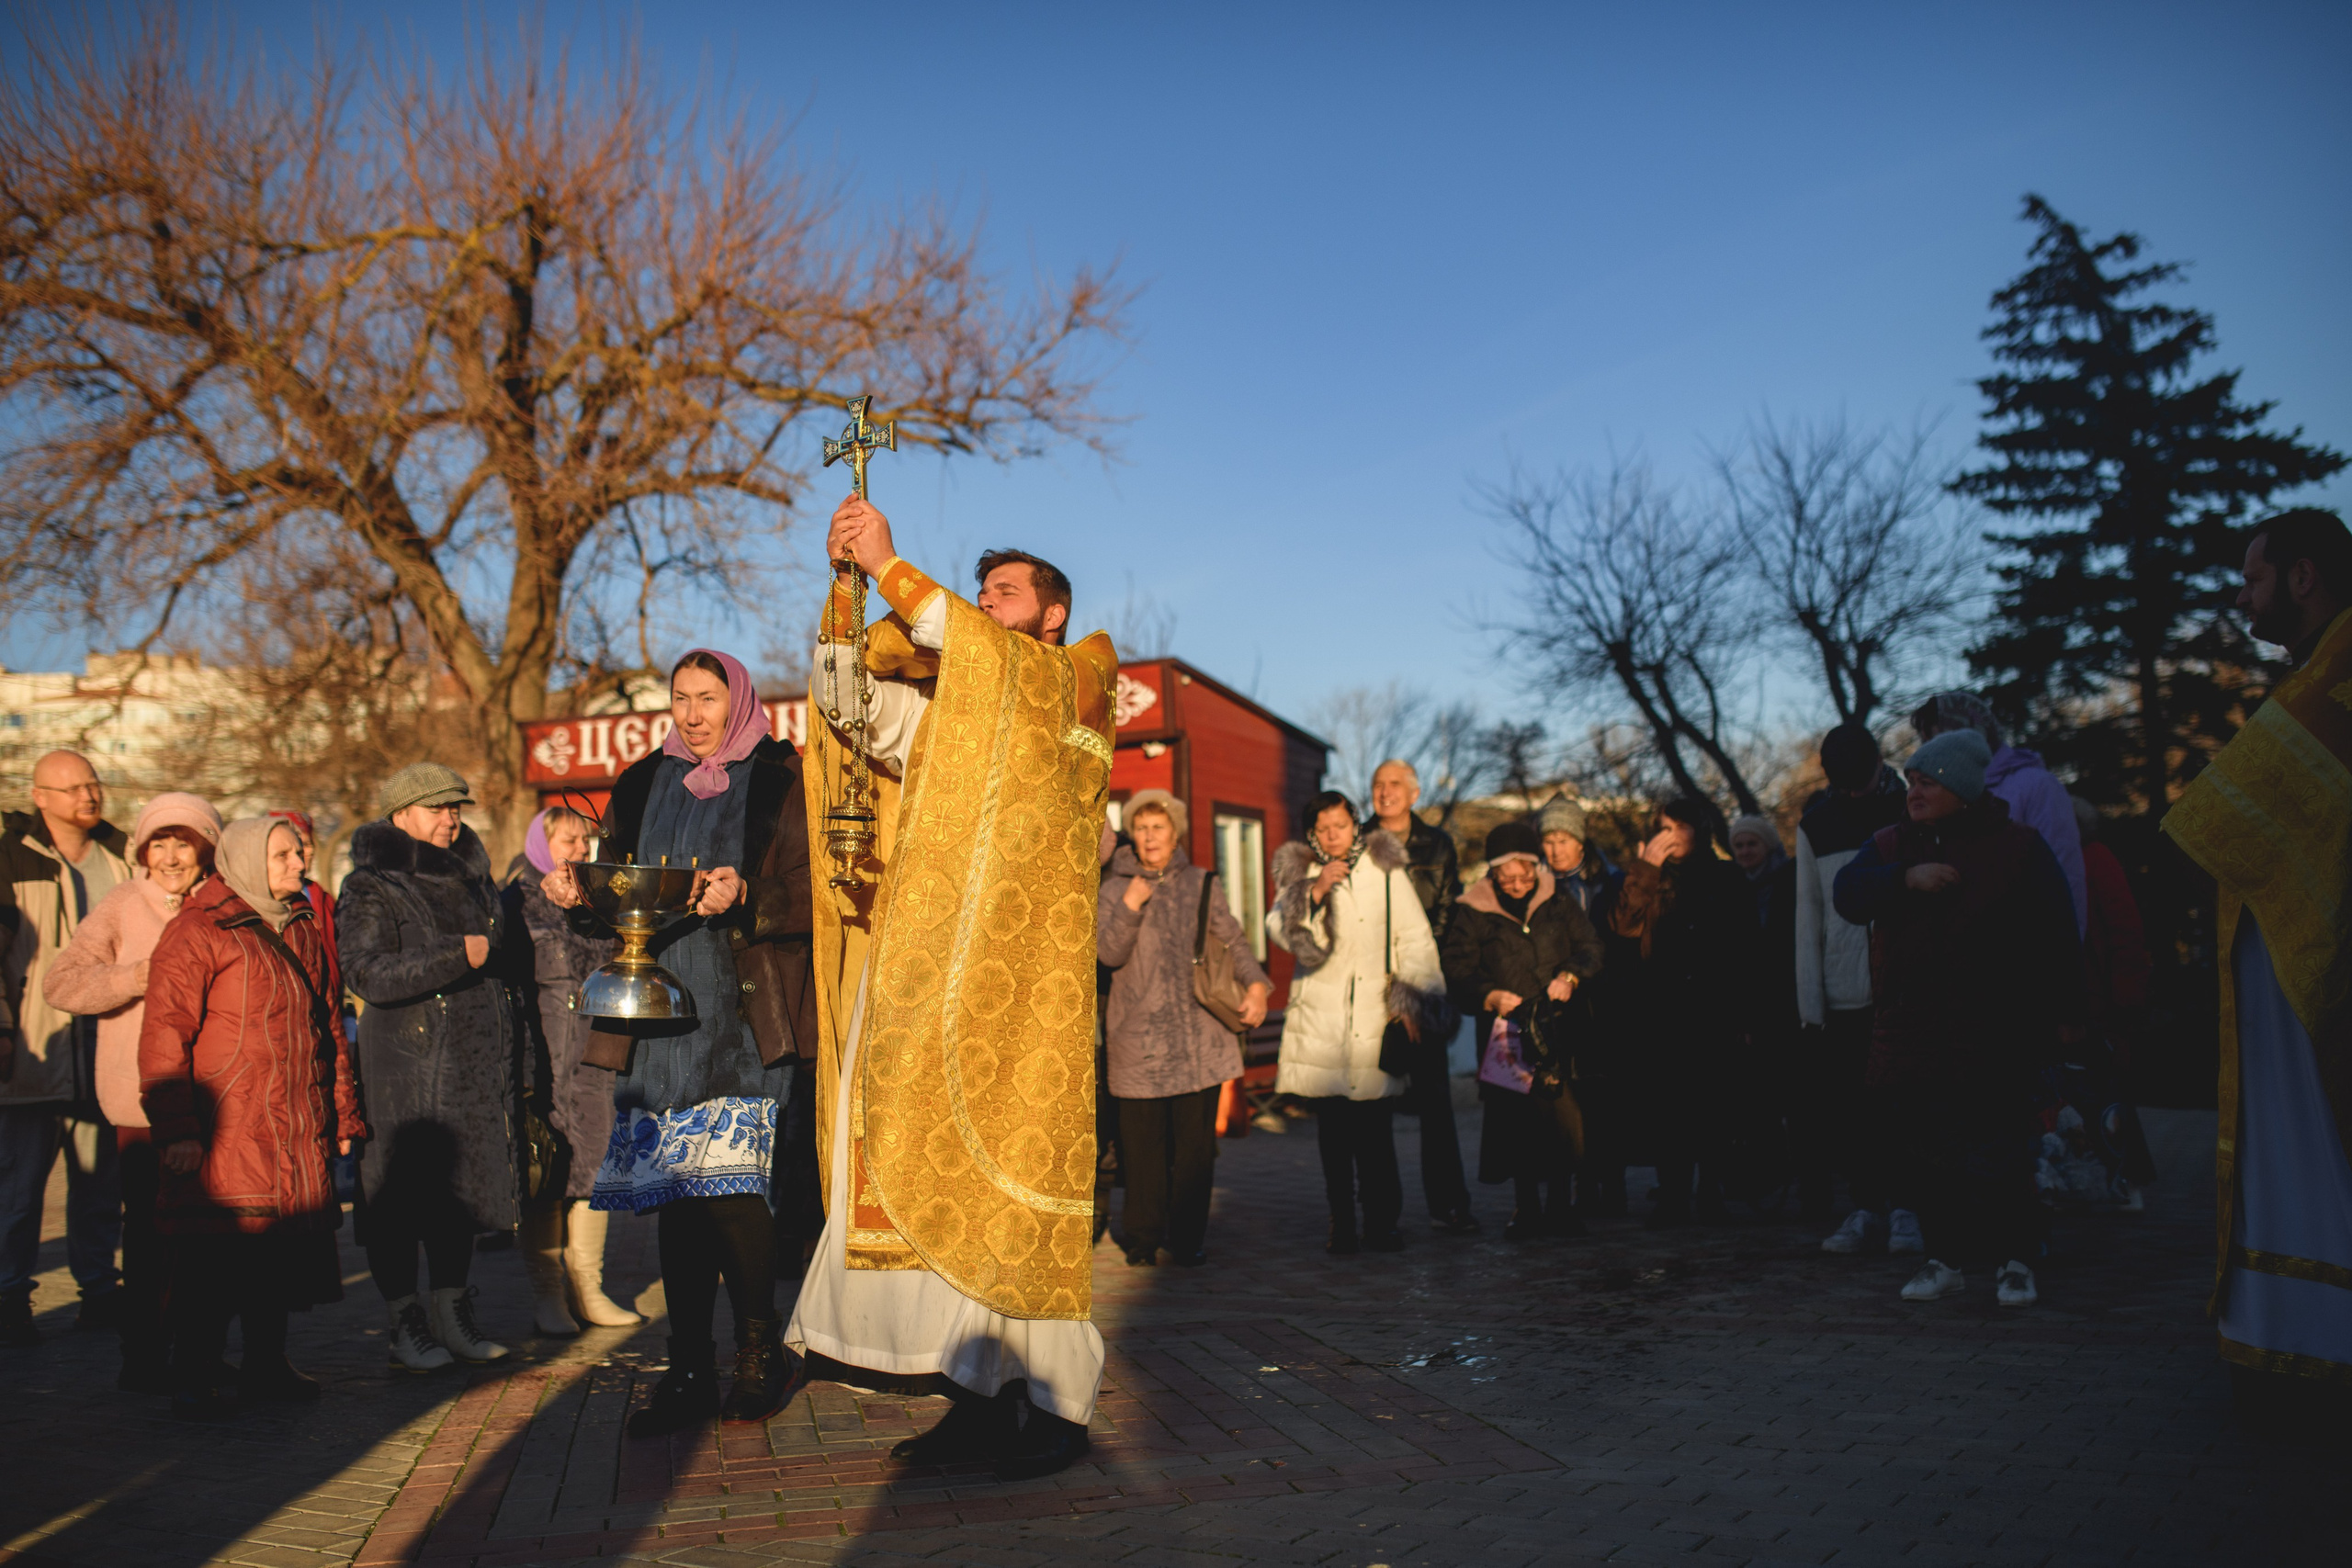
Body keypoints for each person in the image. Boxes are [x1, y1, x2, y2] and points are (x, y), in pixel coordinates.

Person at [786, 502, 1114, 1482]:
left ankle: (1059, 1403)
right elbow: (857, 713)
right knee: (954, 1190)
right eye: (980, 593)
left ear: (1051, 613)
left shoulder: (1076, 677)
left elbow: (980, 656)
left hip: (1029, 993)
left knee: (1023, 1194)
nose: (984, 604)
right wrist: (844, 602)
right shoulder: (959, 699)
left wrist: (891, 563)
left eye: (1004, 591)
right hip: (943, 971)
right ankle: (976, 1394)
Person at [544, 649, 814, 1435]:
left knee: (730, 1192)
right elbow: (620, 897)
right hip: (659, 1016)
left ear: (738, 701)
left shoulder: (780, 777)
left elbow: (818, 889)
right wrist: (576, 894)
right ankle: (690, 1365)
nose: (692, 714)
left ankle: (761, 1353)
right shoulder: (638, 782)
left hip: (741, 1013)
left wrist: (749, 894)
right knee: (676, 1200)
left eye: (707, 698)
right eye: (680, 698)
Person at [2162, 507, 2352, 1430]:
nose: (2242, 599)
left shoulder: (2339, 668)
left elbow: (2223, 816)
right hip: (2283, 960)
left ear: (2304, 576)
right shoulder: (2311, 672)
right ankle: (2293, 1332)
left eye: (2253, 581)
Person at [1835, 729, 2085, 1309]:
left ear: (1963, 788)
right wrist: (1904, 879)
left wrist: (2070, 1014)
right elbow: (1848, 893)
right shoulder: (1892, 844)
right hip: (1915, 1031)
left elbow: (2055, 934)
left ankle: (2016, 1261)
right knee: (1926, 1155)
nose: (1914, 792)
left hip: (1996, 1029)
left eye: (1928, 783)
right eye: (1912, 782)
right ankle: (1943, 1260)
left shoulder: (2018, 846)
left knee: (2000, 1150)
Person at [139, 818, 366, 1418]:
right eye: (284, 854)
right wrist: (178, 1130)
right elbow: (164, 1038)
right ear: (244, 860)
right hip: (227, 1123)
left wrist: (343, 1112)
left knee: (277, 1254)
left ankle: (266, 1363)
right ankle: (194, 1369)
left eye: (299, 852)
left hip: (292, 1118)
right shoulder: (197, 931)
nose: (299, 862)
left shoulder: (302, 927)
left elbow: (328, 1029)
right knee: (213, 1258)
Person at [339, 764, 522, 1371]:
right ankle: (405, 1321)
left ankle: (452, 1313)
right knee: (400, 1198)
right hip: (406, 1065)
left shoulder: (474, 876)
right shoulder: (371, 884)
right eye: (438, 807)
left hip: (473, 1060)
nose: (451, 818)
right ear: (401, 815)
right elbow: (366, 972)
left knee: (461, 1194)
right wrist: (456, 954)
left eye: (456, 807)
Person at [41, 793, 223, 1391]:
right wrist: (137, 977)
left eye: (184, 841)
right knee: (147, 1231)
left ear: (207, 845)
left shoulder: (222, 902)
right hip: (141, 1100)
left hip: (216, 1097)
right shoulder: (123, 902)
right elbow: (62, 982)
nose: (171, 856)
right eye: (159, 843)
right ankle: (142, 1351)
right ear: (142, 850)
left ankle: (203, 1348)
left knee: (212, 1234)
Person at [1271, 791, 1452, 1257]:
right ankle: (1342, 1223)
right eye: (1324, 828)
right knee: (1333, 1132)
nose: (1334, 835)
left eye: (1341, 825)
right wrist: (1314, 893)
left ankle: (1382, 1222)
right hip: (1323, 1021)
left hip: (1375, 1016)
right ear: (1313, 833)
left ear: (1355, 825)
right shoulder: (1303, 873)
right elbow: (1280, 932)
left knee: (1375, 1129)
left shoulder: (1385, 870)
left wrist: (1412, 1003)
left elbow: (1414, 938)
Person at [1097, 789, 1270, 1267]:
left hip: (1198, 1039)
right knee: (1143, 1148)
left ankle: (1188, 1236)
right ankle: (1142, 1238)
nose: (1151, 836)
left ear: (1176, 833)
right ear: (1133, 832)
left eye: (1160, 826)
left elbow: (1233, 941)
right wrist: (1131, 904)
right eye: (1143, 827)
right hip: (1137, 1041)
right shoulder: (1113, 888)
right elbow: (1108, 954)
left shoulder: (1201, 883)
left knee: (1194, 1150)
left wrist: (1256, 986)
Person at [1, 749, 131, 1347]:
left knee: (101, 1184)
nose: (89, 794)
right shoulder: (10, 856)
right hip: (31, 1051)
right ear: (41, 797)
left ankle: (100, 1292)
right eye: (74, 786)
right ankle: (9, 1297)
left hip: (105, 1051)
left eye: (93, 782)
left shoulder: (123, 857)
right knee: (21, 1186)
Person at [504, 807, 641, 1335]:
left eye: (585, 842)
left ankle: (589, 1287)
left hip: (592, 1060)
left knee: (593, 1168)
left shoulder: (598, 902)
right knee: (547, 1173)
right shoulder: (517, 900)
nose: (581, 852)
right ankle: (548, 1294)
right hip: (542, 1058)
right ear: (542, 844)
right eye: (568, 841)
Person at [1442, 821, 1603, 1239]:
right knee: (1515, 1122)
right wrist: (1488, 994)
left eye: (1524, 874)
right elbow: (1456, 968)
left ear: (1536, 867)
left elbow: (1591, 948)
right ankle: (1526, 1207)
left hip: (1558, 1028)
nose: (1516, 884)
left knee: (1564, 1119)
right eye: (1505, 876)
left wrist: (1570, 975)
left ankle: (1561, 1206)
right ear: (1491, 873)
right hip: (1506, 1032)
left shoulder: (1559, 900)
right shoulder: (1471, 910)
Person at [1798, 724, 1917, 1256]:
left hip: (1903, 983)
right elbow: (1808, 915)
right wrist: (1810, 1002)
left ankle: (1909, 1206)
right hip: (1843, 985)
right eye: (1842, 783)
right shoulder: (1817, 823)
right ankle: (1867, 1206)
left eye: (1859, 781)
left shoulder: (1909, 809)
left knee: (1905, 1103)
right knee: (1854, 1107)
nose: (1852, 792)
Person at [1605, 797, 1747, 1226]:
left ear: (1698, 830)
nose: (1669, 836)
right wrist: (1645, 872)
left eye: (1679, 827)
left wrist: (1746, 1015)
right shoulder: (1646, 877)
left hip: (1713, 1008)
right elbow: (1622, 927)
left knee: (1713, 1104)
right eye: (1662, 827)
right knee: (1668, 1107)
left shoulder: (1726, 876)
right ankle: (1673, 1193)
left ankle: (1711, 1191)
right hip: (1661, 1010)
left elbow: (1748, 950)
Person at [1364, 759, 1476, 1235]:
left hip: (1424, 987)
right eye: (1377, 785)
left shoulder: (1439, 845)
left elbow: (1449, 917)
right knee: (1372, 1108)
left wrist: (1413, 986)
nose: (1385, 792)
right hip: (1369, 990)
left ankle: (1449, 1204)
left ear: (1414, 793)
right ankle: (1378, 1214)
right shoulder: (1358, 843)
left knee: (1436, 1105)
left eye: (1395, 785)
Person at [1911, 692, 2086, 934]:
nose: (1929, 751)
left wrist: (2065, 951)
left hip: (2025, 949)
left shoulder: (2037, 786)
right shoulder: (1943, 795)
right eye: (1925, 741)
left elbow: (2066, 875)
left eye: (1932, 738)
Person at [1537, 794, 1628, 1215]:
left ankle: (1611, 1182)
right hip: (1556, 1001)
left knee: (1605, 1097)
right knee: (1564, 1100)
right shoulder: (1537, 883)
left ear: (1580, 840)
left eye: (1562, 839)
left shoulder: (1608, 881)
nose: (1555, 849)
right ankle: (1578, 1181)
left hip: (1602, 1000)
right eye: (1548, 840)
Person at [1727, 813, 1799, 1211]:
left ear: (1768, 846)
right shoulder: (1735, 887)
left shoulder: (1789, 880)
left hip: (1788, 999)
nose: (1745, 852)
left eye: (1751, 844)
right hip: (1755, 1009)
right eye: (1738, 846)